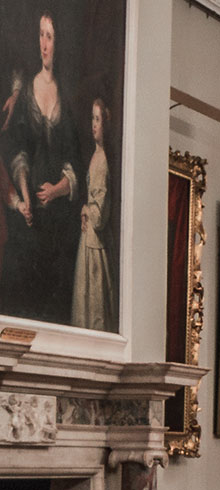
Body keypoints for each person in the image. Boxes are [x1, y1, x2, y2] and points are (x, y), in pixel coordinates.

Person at [4, 13, 80, 324]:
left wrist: (58, 189)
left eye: (49, 36)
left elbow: (74, 161)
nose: (44, 44)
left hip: (60, 220)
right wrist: (25, 197)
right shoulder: (25, 96)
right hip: (30, 215)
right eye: (41, 35)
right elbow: (19, 152)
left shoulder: (67, 97)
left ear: (59, 42)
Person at [70, 95, 115, 331]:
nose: (93, 124)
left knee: (94, 313)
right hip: (89, 242)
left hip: (95, 246)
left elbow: (99, 216)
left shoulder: (102, 160)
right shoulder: (95, 156)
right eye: (92, 119)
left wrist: (87, 209)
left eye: (97, 119)